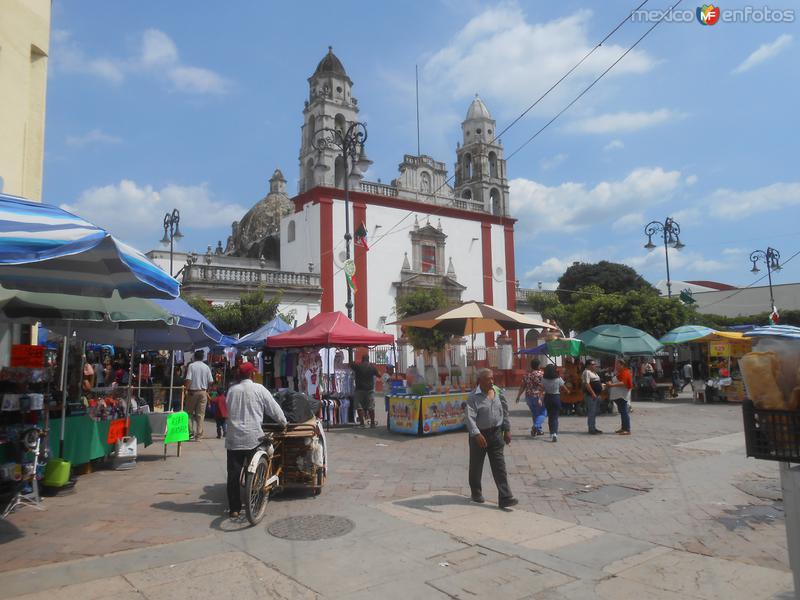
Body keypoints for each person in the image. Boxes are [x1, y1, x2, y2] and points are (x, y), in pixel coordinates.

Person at [224, 362, 287, 519]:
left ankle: (234, 509)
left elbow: (228, 410)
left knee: (233, 475)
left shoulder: (232, 391)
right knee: (267, 454)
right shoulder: (259, 389)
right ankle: (257, 496)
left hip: (234, 439)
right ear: (252, 374)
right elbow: (274, 409)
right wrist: (283, 422)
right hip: (254, 438)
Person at [465, 368, 517, 508]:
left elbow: (504, 412)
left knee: (500, 466)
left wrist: (507, 429)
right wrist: (476, 434)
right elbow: (469, 418)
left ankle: (505, 497)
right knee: (476, 466)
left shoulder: (497, 392)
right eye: (488, 379)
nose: (492, 381)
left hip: (496, 434)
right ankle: (476, 492)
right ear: (480, 381)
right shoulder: (473, 397)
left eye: (492, 378)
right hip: (479, 436)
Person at [184, 350, 214, 440]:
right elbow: (211, 381)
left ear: (194, 357)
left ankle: (190, 432)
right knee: (200, 414)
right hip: (203, 392)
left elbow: (188, 379)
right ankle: (199, 435)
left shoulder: (191, 366)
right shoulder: (206, 367)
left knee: (188, 413)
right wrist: (206, 389)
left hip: (192, 392)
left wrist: (186, 389)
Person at [515, 359, 545, 436]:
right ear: (538, 365)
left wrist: (518, 396)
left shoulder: (527, 375)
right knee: (542, 413)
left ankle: (538, 430)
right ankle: (536, 426)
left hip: (528, 397)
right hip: (539, 397)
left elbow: (522, 386)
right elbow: (545, 385)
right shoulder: (541, 374)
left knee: (534, 413)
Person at [542, 363, 570, 442]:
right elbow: (564, 387)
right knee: (555, 416)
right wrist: (567, 391)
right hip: (556, 397)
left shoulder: (543, 379)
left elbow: (542, 388)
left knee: (550, 416)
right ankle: (554, 433)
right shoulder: (558, 378)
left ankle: (551, 432)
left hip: (547, 397)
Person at [350, 354, 380, 428]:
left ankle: (362, 423)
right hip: (370, 390)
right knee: (371, 407)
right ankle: (372, 423)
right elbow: (379, 375)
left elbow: (350, 365)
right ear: (368, 359)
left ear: (362, 359)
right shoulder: (372, 367)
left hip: (359, 389)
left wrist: (353, 362)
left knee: (359, 407)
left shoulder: (358, 366)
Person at [606, 358, 633, 435]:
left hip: (622, 395)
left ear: (622, 365)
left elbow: (623, 383)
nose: (616, 366)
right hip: (618, 395)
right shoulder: (619, 372)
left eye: (617, 364)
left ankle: (627, 429)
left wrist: (611, 385)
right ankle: (623, 428)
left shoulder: (625, 372)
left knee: (624, 412)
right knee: (622, 411)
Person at [582, 360, 604, 434]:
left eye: (595, 364)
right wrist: (593, 393)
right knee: (591, 412)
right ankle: (591, 428)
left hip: (597, 394)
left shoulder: (594, 373)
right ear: (588, 365)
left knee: (595, 412)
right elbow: (587, 384)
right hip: (591, 395)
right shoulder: (587, 372)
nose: (594, 365)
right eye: (593, 364)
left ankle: (594, 427)